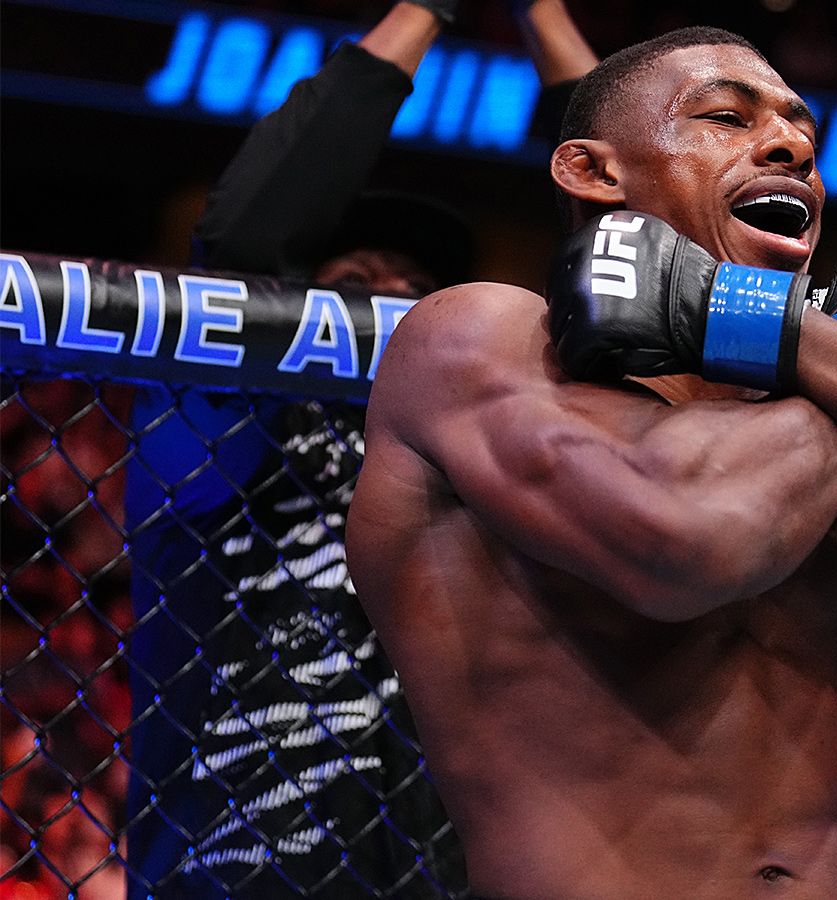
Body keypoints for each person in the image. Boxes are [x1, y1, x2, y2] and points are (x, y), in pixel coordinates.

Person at [346, 26, 837, 898]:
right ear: (593, 171)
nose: (789, 146)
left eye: (803, 132)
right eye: (725, 118)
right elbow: (687, 538)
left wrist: (790, 331)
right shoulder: (480, 336)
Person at [123, 2, 596, 896]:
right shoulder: (227, 425)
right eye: (354, 283)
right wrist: (425, 9)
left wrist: (541, 16)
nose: (392, 301)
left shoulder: (486, 453)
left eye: (418, 290)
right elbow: (242, 250)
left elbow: (640, 268)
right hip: (245, 868)